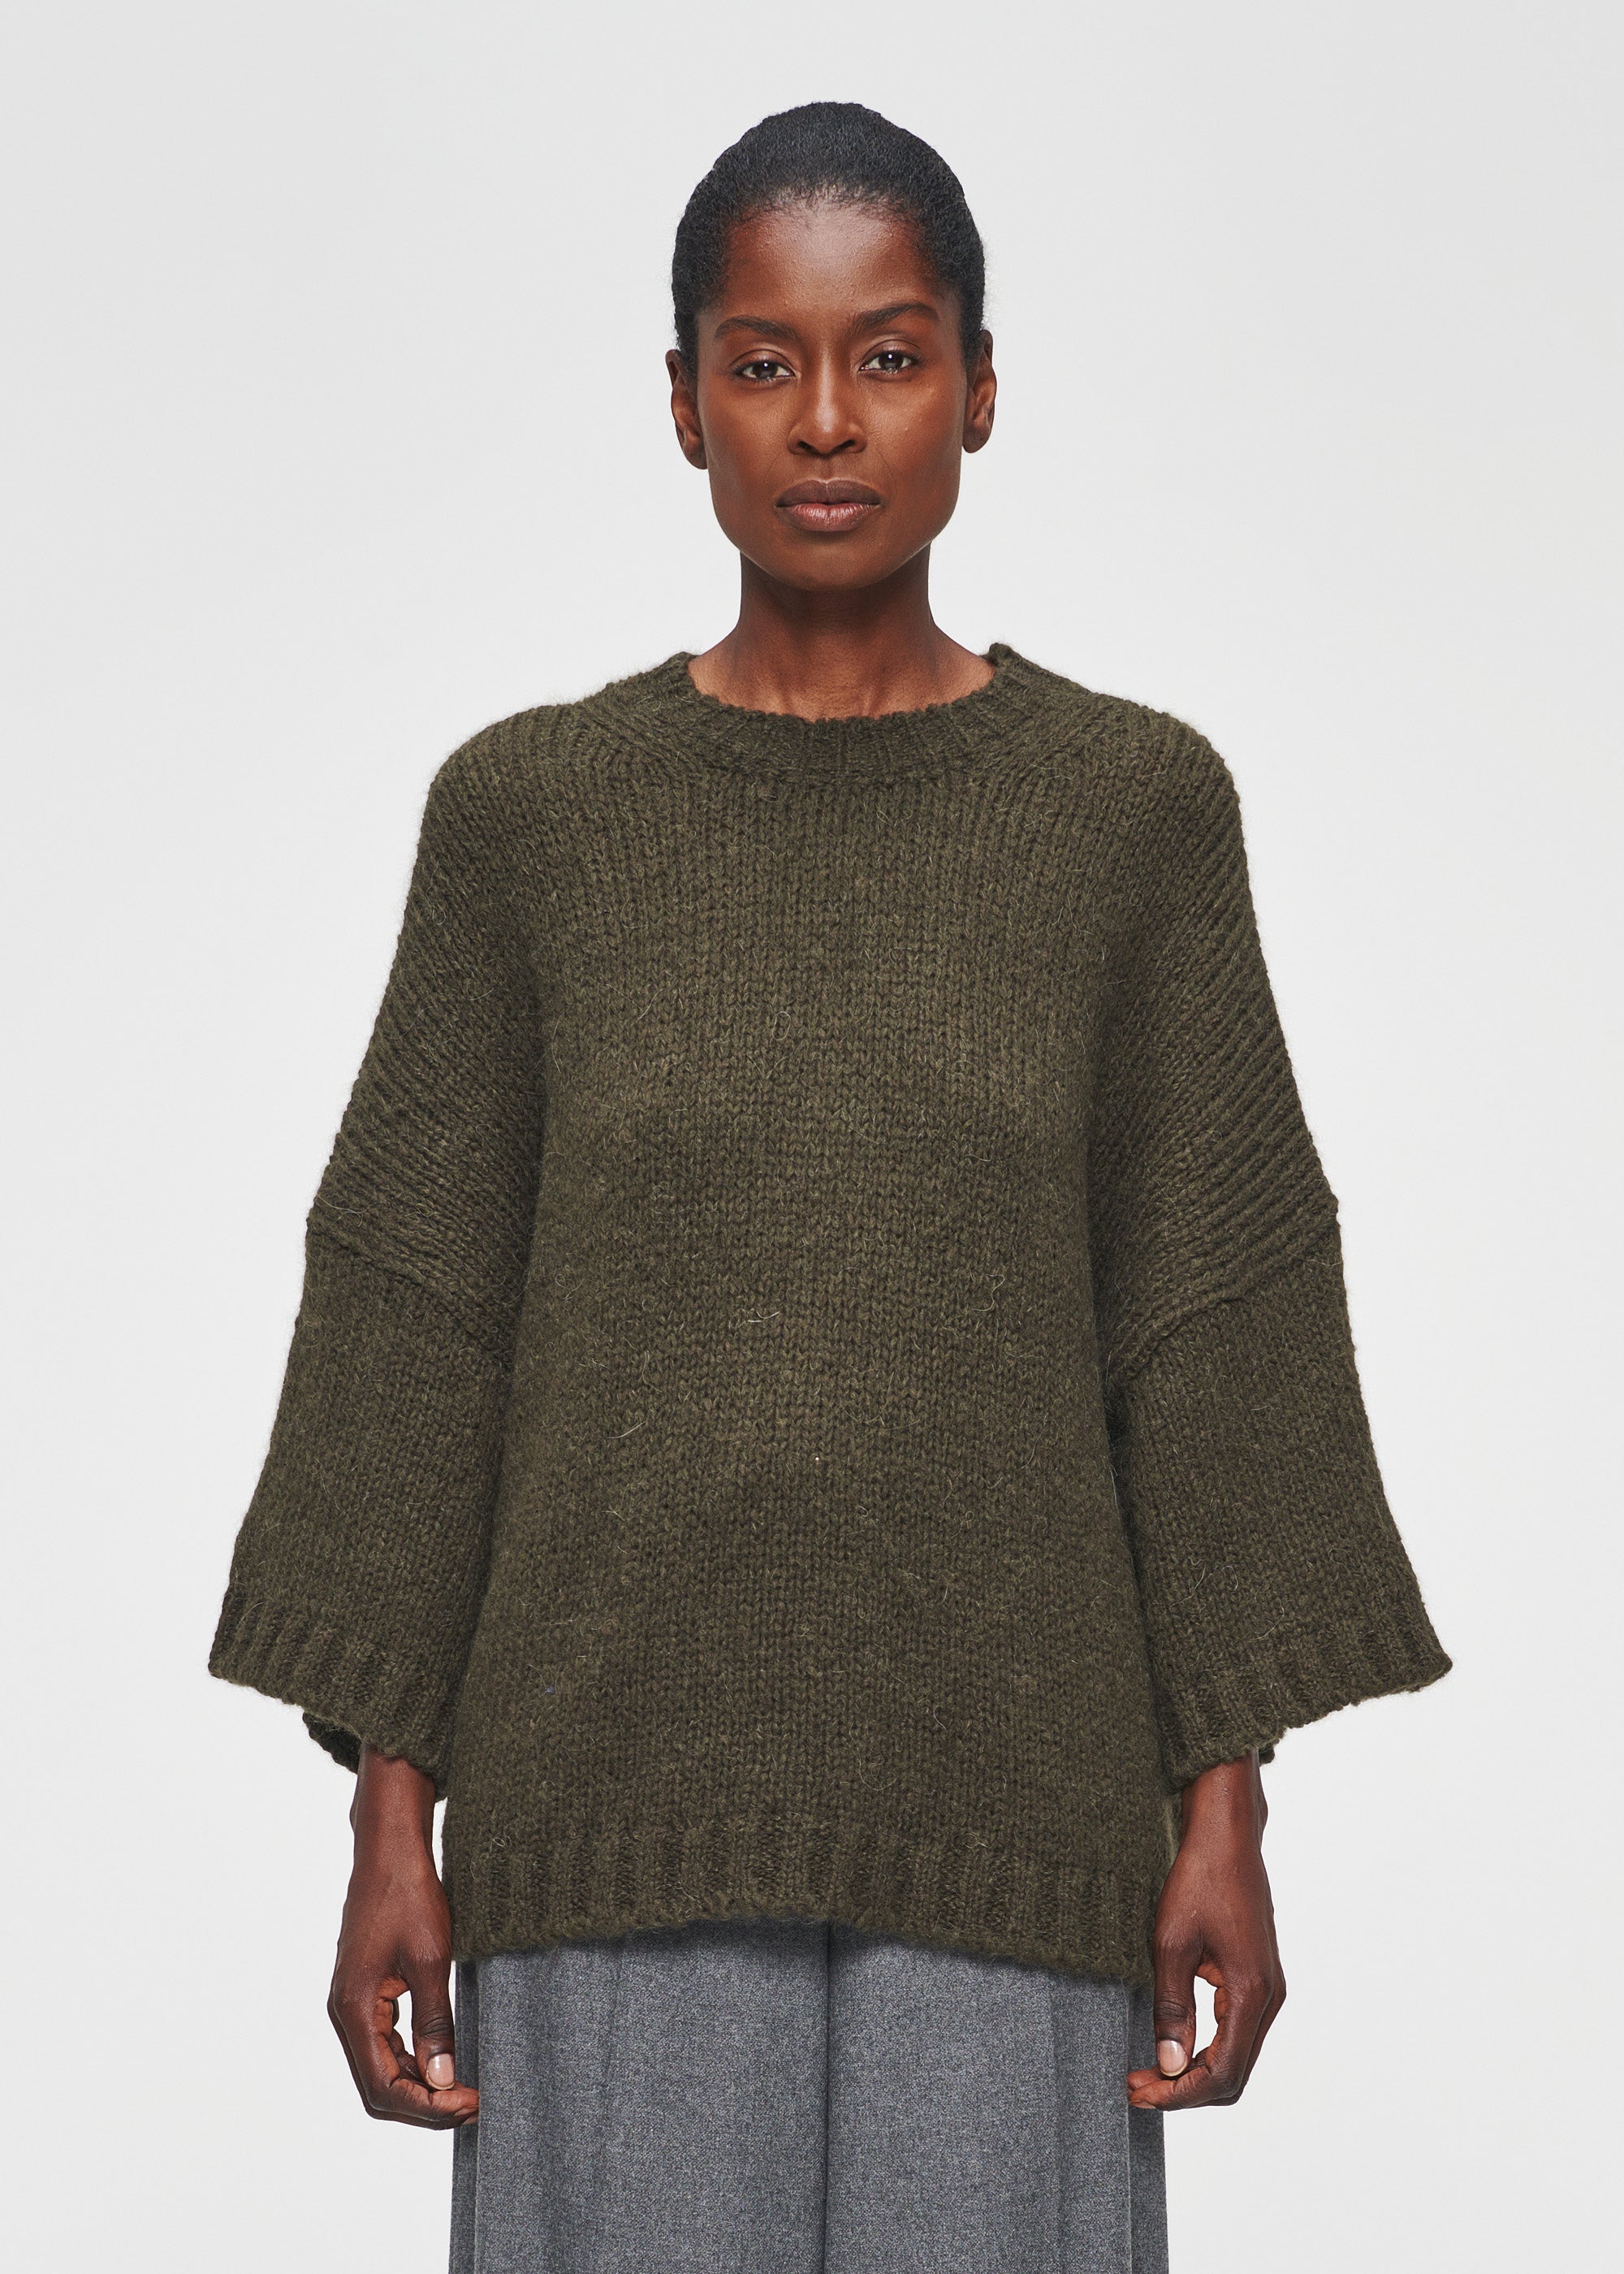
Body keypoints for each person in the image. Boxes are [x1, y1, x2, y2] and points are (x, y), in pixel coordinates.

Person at [209, 101, 1449, 2272]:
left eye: (888, 355)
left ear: (981, 388)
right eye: (762, 361)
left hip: (1021, 1815)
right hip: (600, 1816)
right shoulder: (531, 823)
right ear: (683, 401)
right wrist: (389, 1812)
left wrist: (1227, 1804)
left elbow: (1212, 1322)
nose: (824, 420)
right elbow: (418, 1323)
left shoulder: (1131, 816)